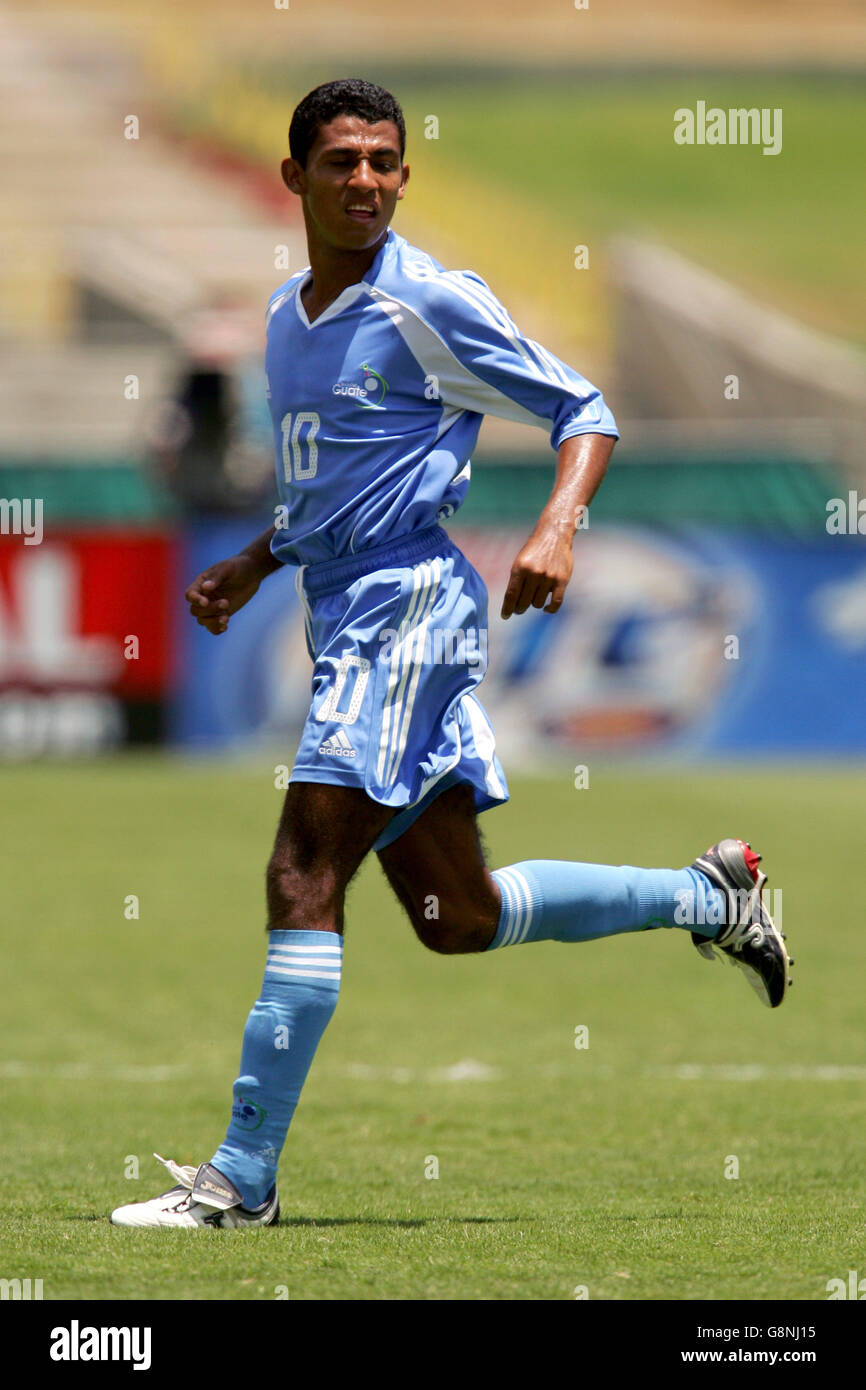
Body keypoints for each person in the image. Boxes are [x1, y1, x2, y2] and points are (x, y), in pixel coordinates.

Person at [111, 79, 791, 1230]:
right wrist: (260, 559)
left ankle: (240, 1180)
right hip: (342, 608)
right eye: (340, 161)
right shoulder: (287, 317)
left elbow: (582, 408)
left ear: (404, 176)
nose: (365, 180)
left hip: (407, 612)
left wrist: (554, 527)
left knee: (300, 868)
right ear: (293, 180)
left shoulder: (427, 302)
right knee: (454, 916)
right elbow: (334, 478)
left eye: (383, 159)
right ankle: (709, 894)